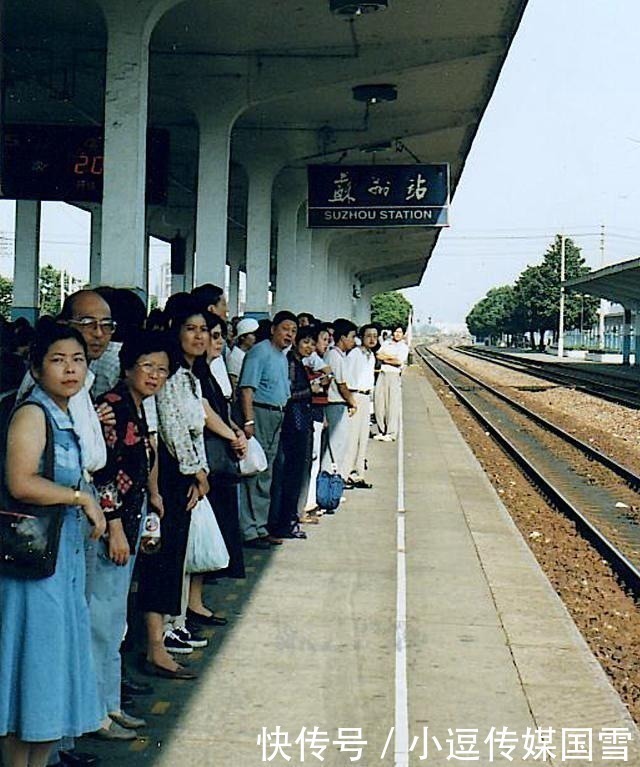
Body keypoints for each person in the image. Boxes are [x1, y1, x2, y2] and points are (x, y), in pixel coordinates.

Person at [0, 322, 106, 767]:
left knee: (50, 678)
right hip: (32, 569)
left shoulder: (66, 414)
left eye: (77, 360)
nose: (70, 369)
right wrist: (81, 498)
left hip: (62, 564)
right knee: (31, 674)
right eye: (58, 360)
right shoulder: (32, 414)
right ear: (36, 367)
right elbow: (21, 482)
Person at [90, 332, 172, 739]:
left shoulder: (139, 406)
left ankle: (109, 705)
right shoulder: (113, 406)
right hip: (111, 527)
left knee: (114, 618)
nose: (155, 375)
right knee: (102, 620)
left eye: (162, 369)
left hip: (131, 517)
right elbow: (103, 472)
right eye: (147, 367)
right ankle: (96, 713)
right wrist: (116, 527)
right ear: (127, 368)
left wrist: (152, 497)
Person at [136, 301, 210, 679]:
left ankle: (166, 633)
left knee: (175, 558)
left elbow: (194, 428)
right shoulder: (171, 376)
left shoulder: (189, 378)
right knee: (162, 560)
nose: (200, 337)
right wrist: (196, 472)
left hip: (186, 475)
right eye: (191, 329)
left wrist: (201, 472)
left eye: (204, 330)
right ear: (175, 332)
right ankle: (157, 644)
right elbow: (172, 429)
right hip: (169, 475)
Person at [193, 314, 247, 590]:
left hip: (221, 449)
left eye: (217, 336)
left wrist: (236, 431)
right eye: (211, 335)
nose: (215, 342)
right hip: (209, 454)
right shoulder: (197, 373)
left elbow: (221, 410)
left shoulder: (213, 369)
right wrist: (233, 435)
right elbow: (205, 412)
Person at [237, 311, 297, 548]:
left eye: (293, 331)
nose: (289, 335)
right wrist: (249, 421)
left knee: (266, 473)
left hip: (277, 415)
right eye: (285, 329)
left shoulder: (281, 356)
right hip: (260, 414)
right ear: (273, 329)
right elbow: (246, 389)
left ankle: (260, 527)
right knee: (255, 471)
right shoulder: (260, 352)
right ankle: (250, 530)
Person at [268, 326, 315, 539]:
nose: (309, 347)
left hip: (298, 422)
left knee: (293, 474)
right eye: (305, 342)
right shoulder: (290, 364)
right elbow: (289, 393)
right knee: (290, 474)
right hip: (293, 424)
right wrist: (311, 390)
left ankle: (288, 520)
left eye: (312, 343)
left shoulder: (296, 363)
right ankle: (285, 523)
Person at [321, 318, 358, 481]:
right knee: (335, 447)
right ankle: (327, 487)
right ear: (342, 337)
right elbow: (342, 386)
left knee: (336, 446)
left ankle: (330, 486)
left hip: (336, 405)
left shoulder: (336, 355)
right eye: (351, 336)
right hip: (335, 405)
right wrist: (353, 402)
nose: (353, 340)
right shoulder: (335, 356)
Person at [344, 323, 378, 488]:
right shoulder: (355, 354)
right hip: (356, 396)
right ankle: (347, 473)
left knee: (363, 437)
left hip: (366, 397)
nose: (372, 339)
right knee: (353, 437)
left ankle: (359, 474)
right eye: (369, 336)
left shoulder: (371, 355)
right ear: (361, 337)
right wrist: (351, 401)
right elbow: (348, 378)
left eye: (375, 336)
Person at [374, 325, 409, 442]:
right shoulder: (386, 343)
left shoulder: (404, 347)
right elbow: (378, 355)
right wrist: (390, 358)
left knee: (392, 404)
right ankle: (381, 430)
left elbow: (399, 361)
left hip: (394, 375)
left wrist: (386, 358)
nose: (397, 334)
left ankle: (391, 432)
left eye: (400, 332)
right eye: (396, 332)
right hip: (382, 373)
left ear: (403, 334)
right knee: (379, 403)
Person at [226, 317, 259, 390]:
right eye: (253, 334)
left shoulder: (248, 353)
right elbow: (233, 383)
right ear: (242, 337)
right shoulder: (235, 356)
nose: (255, 338)